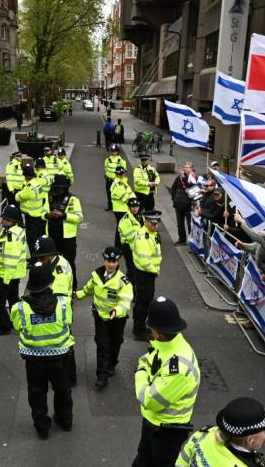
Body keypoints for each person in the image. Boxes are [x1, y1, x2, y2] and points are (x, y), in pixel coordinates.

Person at [108, 296, 201, 467]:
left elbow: (149, 398)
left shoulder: (178, 364)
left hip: (169, 427)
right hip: (154, 422)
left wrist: (140, 372)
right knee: (144, 460)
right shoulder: (166, 345)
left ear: (157, 330)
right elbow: (149, 360)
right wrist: (145, 367)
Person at [9, 261, 75, 438]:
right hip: (60, 357)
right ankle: (65, 420)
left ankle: (42, 427)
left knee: (37, 393)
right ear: (50, 284)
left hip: (34, 360)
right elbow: (68, 323)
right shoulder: (63, 304)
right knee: (62, 390)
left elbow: (17, 326)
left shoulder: (20, 308)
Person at [75, 246, 134, 389]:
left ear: (118, 263)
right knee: (102, 345)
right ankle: (102, 376)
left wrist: (117, 310)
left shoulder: (122, 281)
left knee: (116, 342)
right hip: (100, 317)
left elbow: (126, 300)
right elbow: (89, 288)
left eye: (114, 262)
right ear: (104, 261)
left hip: (117, 319)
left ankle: (112, 364)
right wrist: (79, 294)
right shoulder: (96, 275)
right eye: (109, 261)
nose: (111, 264)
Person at [0, 206, 28, 336]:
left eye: (5, 219)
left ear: (13, 221)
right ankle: (16, 321)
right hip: (14, 274)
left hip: (9, 274)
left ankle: (4, 327)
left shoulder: (11, 235)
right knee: (13, 300)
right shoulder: (16, 230)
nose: (2, 221)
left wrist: (6, 278)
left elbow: (11, 259)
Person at [130, 211, 163, 341]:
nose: (155, 226)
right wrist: (154, 270)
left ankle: (141, 326)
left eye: (157, 224)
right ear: (145, 221)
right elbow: (144, 261)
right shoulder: (144, 237)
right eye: (152, 223)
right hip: (145, 274)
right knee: (143, 303)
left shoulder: (151, 234)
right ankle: (139, 331)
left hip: (147, 273)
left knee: (144, 302)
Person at [170, 163, 197, 245]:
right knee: (180, 224)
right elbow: (173, 188)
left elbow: (191, 186)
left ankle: (192, 241)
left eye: (186, 167)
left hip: (188, 206)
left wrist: (184, 178)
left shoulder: (193, 178)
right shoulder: (178, 178)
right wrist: (174, 199)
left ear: (191, 168)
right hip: (178, 204)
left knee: (190, 224)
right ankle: (182, 239)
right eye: (184, 167)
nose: (184, 168)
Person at [110, 165, 134, 231]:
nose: (122, 175)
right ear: (116, 174)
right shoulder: (117, 184)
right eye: (120, 174)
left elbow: (130, 192)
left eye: (122, 173)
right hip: (120, 209)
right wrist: (133, 201)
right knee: (121, 228)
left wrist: (133, 197)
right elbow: (125, 198)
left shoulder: (123, 181)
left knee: (122, 228)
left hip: (123, 208)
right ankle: (118, 241)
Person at [103, 145, 127, 210]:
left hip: (116, 181)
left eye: (115, 151)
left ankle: (116, 206)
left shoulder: (121, 160)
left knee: (117, 194)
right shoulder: (107, 160)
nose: (113, 153)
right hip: (109, 180)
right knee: (109, 193)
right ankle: (109, 205)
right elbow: (106, 168)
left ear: (117, 152)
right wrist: (106, 175)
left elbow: (124, 171)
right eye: (112, 151)